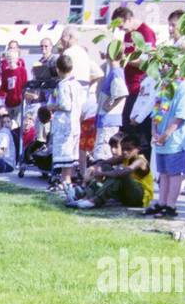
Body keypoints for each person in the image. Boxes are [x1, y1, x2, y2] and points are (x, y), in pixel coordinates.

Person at [149, 71, 185, 217]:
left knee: (174, 172)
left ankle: (171, 205)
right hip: (160, 137)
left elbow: (181, 115)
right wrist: (154, 130)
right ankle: (161, 202)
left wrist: (167, 134)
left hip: (175, 138)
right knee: (163, 172)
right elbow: (156, 107)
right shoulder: (165, 83)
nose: (164, 67)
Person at [115, 6, 157, 149]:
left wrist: (125, 59)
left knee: (136, 131)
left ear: (129, 19)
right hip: (130, 88)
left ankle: (141, 166)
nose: (121, 30)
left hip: (141, 90)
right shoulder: (128, 35)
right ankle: (129, 166)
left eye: (122, 26)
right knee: (127, 126)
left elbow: (148, 62)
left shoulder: (146, 33)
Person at [73, 135, 153, 209]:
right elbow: (103, 163)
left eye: (129, 149)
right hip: (126, 197)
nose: (125, 151)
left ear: (138, 149)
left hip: (139, 198)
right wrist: (95, 168)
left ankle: (95, 200)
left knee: (120, 174)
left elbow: (126, 171)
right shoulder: (124, 157)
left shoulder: (141, 160)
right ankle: (86, 196)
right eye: (123, 149)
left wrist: (102, 174)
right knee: (106, 167)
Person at [50, 54, 83, 196]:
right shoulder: (77, 84)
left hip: (65, 125)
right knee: (69, 158)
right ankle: (68, 185)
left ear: (58, 69)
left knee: (65, 157)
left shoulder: (63, 85)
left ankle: (67, 184)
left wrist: (52, 107)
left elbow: (65, 104)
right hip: (75, 123)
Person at [0, 41, 29, 116]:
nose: (11, 60)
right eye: (9, 58)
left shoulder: (22, 70)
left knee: (18, 123)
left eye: (12, 58)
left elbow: (25, 85)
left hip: (19, 101)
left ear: (17, 59)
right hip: (8, 102)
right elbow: (3, 88)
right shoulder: (5, 72)